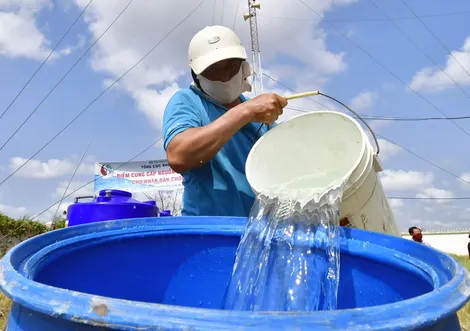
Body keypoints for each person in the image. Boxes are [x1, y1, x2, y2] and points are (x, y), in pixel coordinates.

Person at [162, 26, 288, 217]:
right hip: (206, 234)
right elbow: (179, 155)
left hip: (255, 233)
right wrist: (246, 111)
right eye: (213, 70)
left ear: (244, 67)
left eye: (231, 66)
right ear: (197, 75)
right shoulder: (187, 100)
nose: (225, 77)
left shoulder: (263, 117)